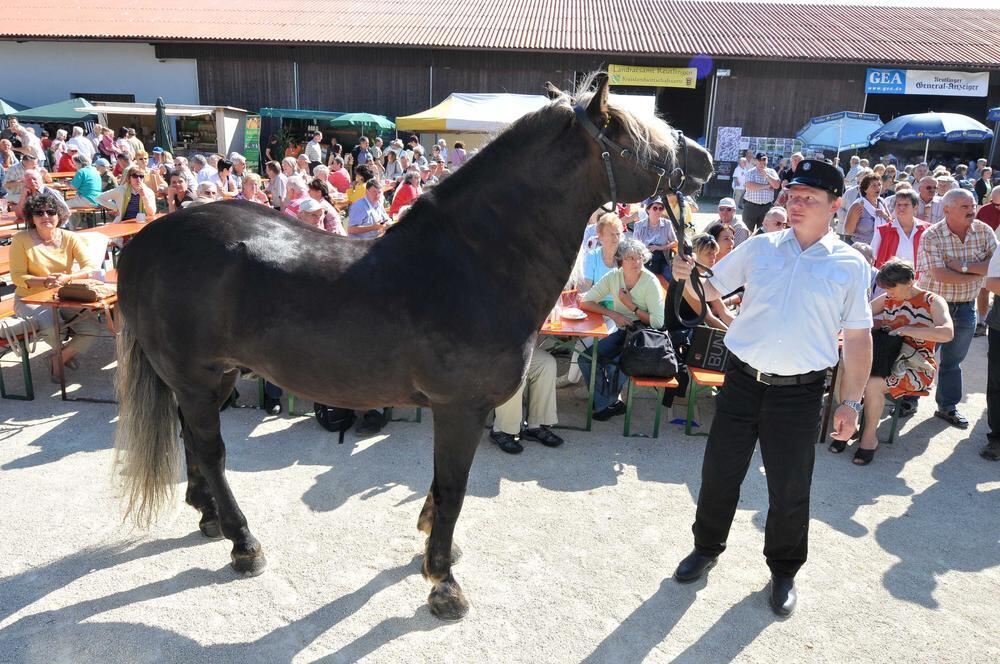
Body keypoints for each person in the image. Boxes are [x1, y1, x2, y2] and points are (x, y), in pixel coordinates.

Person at [670, 160, 872, 617]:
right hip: (742, 382)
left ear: (835, 206)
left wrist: (850, 402)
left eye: (809, 199)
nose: (796, 205)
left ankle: (783, 570)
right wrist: (685, 276)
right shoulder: (760, 247)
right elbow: (707, 289)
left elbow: (859, 338)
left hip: (799, 394)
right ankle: (706, 549)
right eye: (793, 195)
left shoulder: (849, 266)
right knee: (719, 473)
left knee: (790, 486)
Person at [840, 260, 953, 465]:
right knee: (847, 366)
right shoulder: (888, 299)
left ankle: (869, 439)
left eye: (891, 287)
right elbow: (857, 316)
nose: (887, 292)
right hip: (887, 359)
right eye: (885, 288)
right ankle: (848, 424)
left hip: (917, 366)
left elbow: (947, 333)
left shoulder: (932, 301)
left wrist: (908, 330)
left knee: (873, 384)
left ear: (909, 282)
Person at [916, 188, 997, 429]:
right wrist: (975, 272)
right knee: (920, 356)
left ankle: (947, 407)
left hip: (965, 308)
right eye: (965, 206)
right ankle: (906, 399)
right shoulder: (932, 235)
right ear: (947, 209)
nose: (972, 210)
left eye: (972, 205)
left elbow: (995, 266)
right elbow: (940, 275)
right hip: (932, 307)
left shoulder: (983, 231)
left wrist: (961, 267)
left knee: (953, 361)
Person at [9, 192, 104, 381]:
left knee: (92, 329)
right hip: (30, 298)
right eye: (39, 212)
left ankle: (58, 358)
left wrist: (68, 277)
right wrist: (44, 280)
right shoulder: (20, 239)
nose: (45, 216)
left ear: (59, 215)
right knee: (54, 329)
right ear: (31, 217)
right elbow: (17, 277)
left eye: (50, 211)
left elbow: (91, 266)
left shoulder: (70, 237)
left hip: (63, 295)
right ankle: (59, 360)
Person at [577, 237, 666, 421]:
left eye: (639, 257)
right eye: (630, 258)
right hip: (623, 332)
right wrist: (613, 314)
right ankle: (608, 402)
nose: (636, 262)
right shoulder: (614, 277)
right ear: (620, 261)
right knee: (586, 359)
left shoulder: (650, 282)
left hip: (645, 338)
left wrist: (631, 306)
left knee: (615, 364)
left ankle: (604, 402)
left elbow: (657, 322)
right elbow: (586, 302)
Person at [489, 346, 565, 454]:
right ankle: (500, 429)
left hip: (517, 345)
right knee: (515, 368)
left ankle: (535, 425)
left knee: (546, 363)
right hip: (489, 349)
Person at [870, 188, 929, 269]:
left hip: (919, 280)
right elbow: (871, 257)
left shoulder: (927, 230)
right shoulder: (883, 231)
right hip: (889, 280)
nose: (901, 208)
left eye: (906, 205)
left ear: (915, 207)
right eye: (898, 204)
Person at [631, 195, 678, 277]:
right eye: (655, 208)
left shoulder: (667, 223)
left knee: (672, 278)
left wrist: (659, 247)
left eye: (661, 208)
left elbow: (675, 242)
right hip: (644, 259)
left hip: (662, 259)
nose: (658, 211)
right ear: (648, 209)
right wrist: (646, 250)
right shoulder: (639, 225)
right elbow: (634, 246)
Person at [844, 173, 891, 245]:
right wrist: (854, 217)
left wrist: (885, 215)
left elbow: (891, 222)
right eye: (873, 185)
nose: (878, 187)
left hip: (880, 246)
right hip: (861, 248)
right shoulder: (859, 205)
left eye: (879, 184)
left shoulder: (882, 202)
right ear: (865, 189)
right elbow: (848, 231)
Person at [741, 152, 781, 232]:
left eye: (764, 159)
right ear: (756, 161)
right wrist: (767, 186)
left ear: (767, 160)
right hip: (751, 207)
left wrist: (767, 175)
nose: (762, 162)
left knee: (764, 232)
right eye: (759, 160)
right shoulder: (750, 172)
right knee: (747, 232)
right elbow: (750, 185)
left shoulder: (772, 172)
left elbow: (776, 185)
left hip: (766, 207)